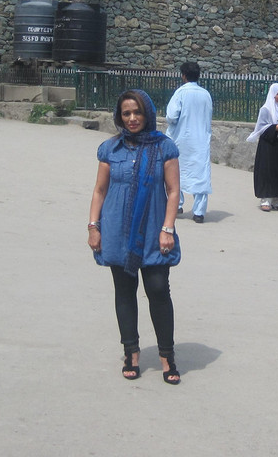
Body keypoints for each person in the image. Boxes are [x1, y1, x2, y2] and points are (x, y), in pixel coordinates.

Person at [87, 89, 182, 384]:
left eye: (137, 112)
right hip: (116, 229)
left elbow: (173, 191)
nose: (132, 119)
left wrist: (168, 228)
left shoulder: (164, 147)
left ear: (148, 114)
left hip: (154, 230)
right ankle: (131, 352)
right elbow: (100, 190)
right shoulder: (110, 149)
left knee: (157, 290)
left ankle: (167, 355)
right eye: (126, 113)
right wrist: (93, 226)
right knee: (124, 292)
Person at [165, 62, 212, 223]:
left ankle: (177, 204)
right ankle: (199, 212)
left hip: (181, 140)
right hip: (200, 140)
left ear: (183, 75)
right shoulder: (205, 94)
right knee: (200, 173)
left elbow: (171, 116)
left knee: (177, 172)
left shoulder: (180, 93)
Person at [247, 83, 278, 211]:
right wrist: (275, 127)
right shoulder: (266, 109)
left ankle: (277, 201)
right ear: (272, 94)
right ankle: (266, 200)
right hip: (268, 145)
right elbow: (261, 128)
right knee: (267, 171)